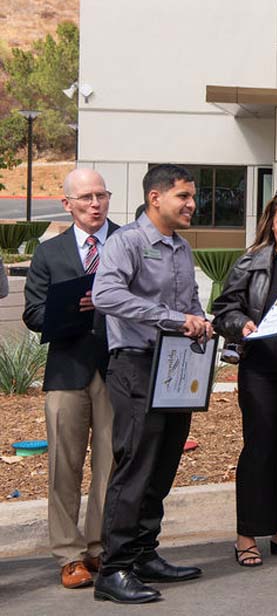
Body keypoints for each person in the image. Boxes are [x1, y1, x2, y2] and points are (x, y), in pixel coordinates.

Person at [90, 164, 212, 604]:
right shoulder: (128, 242)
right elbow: (106, 296)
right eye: (183, 196)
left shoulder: (180, 248)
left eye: (192, 196)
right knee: (135, 466)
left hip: (175, 369)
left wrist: (202, 323)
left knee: (161, 467)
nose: (192, 205)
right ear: (155, 198)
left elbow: (191, 302)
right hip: (136, 365)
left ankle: (144, 554)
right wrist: (177, 320)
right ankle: (114, 568)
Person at [212, 189, 277, 567]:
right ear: (270, 224)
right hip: (260, 370)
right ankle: (246, 535)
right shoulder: (252, 261)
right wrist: (241, 324)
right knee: (260, 449)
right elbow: (224, 310)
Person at [22, 169, 118, 589]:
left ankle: (99, 548)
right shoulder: (49, 253)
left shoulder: (128, 242)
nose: (95, 204)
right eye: (85, 198)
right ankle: (68, 554)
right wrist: (72, 311)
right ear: (67, 204)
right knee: (65, 466)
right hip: (67, 369)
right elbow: (33, 313)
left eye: (101, 195)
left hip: (119, 367)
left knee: (112, 464)